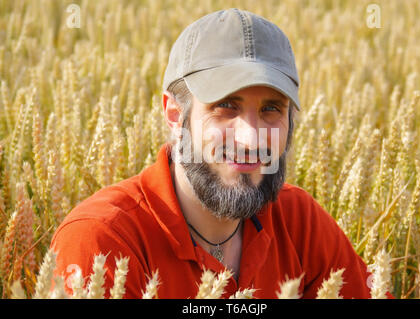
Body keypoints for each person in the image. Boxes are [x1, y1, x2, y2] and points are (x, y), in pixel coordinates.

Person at [51, 8, 380, 299]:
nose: (251, 138)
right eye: (225, 106)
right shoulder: (102, 242)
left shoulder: (299, 222)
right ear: (175, 115)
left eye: (271, 109)